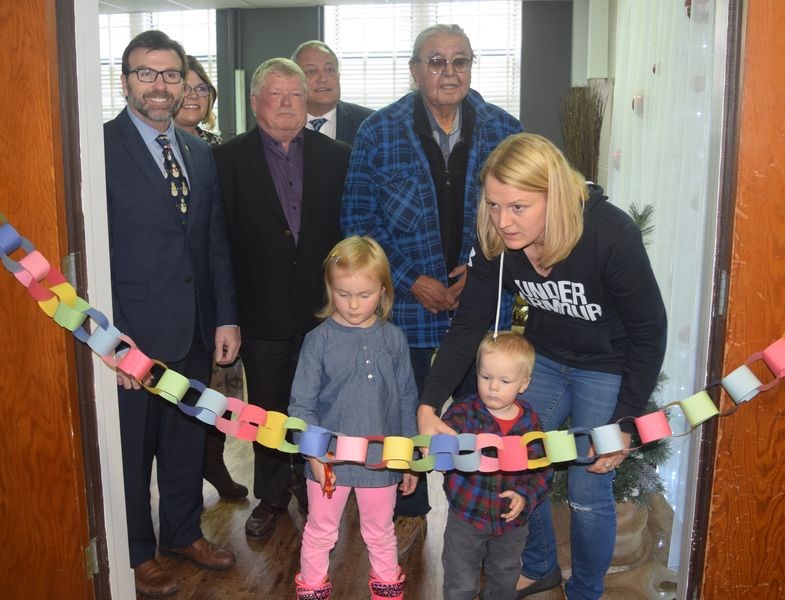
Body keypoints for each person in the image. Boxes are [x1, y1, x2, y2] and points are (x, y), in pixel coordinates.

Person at [418, 133, 668, 600]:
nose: (503, 221)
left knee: (588, 486)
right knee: (514, 459)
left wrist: (627, 419)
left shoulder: (610, 236)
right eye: (493, 205)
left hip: (606, 365)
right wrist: (429, 403)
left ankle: (586, 591)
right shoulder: (498, 240)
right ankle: (541, 567)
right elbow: (469, 324)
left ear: (554, 195)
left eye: (518, 207)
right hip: (546, 359)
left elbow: (649, 331)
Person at [341, 23, 522, 557]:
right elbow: (357, 219)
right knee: (405, 411)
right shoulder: (379, 131)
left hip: (482, 305)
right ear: (416, 69)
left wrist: (486, 268)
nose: (449, 72)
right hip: (406, 308)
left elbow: (530, 213)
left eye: (459, 61)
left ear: (471, 68)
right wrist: (408, 279)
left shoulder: (505, 131)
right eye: (436, 61)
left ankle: (477, 516)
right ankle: (409, 512)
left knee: (484, 417)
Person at [104, 30, 240, 597]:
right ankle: (136, 550)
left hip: (192, 326)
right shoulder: (100, 146)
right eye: (146, 74)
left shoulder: (198, 152)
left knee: (187, 436)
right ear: (126, 80)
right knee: (133, 450)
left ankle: (183, 531)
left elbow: (213, 241)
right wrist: (108, 341)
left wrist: (225, 318)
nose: (160, 86)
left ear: (186, 81)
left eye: (170, 74)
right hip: (130, 332)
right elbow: (95, 251)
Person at [212, 58, 351, 541]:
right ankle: (271, 496)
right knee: (268, 408)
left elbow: (349, 235)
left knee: (320, 404)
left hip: (323, 312)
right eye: (277, 95)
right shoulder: (226, 160)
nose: (289, 103)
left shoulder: (338, 156)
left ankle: (317, 488)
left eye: (296, 94)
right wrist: (226, 316)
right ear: (255, 103)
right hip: (261, 309)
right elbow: (219, 244)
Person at [289, 236, 416, 600]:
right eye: (344, 294)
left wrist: (406, 460)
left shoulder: (394, 340)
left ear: (383, 291)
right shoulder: (318, 341)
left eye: (364, 294)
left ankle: (387, 591)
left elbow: (407, 399)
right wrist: (313, 455)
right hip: (329, 463)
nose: (354, 304)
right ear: (330, 289)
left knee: (380, 531)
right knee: (321, 530)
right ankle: (312, 590)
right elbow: (301, 404)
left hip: (381, 462)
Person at [173, 54, 248, 502]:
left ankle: (212, 460)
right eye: (190, 86)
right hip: (175, 293)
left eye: (204, 89)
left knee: (219, 392)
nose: (196, 96)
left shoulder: (221, 149)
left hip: (221, 286)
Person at [441, 332, 552, 600]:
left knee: (504, 578)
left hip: (511, 523)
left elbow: (543, 470)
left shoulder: (530, 425)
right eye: (485, 377)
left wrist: (525, 496)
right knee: (460, 582)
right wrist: (439, 446)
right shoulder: (462, 414)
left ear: (523, 384)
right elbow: (440, 443)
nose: (492, 387)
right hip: (466, 516)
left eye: (504, 381)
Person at [291, 40, 373, 145]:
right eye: (311, 71)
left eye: (329, 70)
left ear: (338, 76)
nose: (323, 78)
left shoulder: (368, 122)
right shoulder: (279, 123)